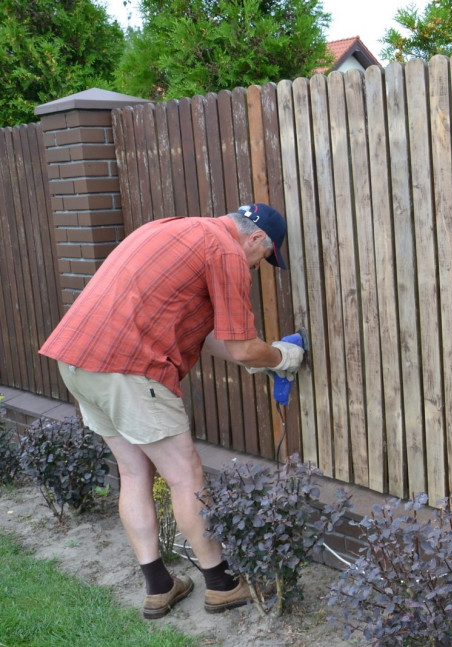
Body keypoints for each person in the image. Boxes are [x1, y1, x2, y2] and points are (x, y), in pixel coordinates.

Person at [39, 204, 305, 619]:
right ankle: (221, 584)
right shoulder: (226, 253)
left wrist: (256, 356)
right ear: (254, 239)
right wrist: (280, 357)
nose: (256, 268)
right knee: (185, 476)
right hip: (128, 368)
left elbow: (218, 338)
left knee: (133, 472)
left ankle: (159, 587)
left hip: (77, 358)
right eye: (263, 259)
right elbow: (241, 346)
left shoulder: (174, 228)